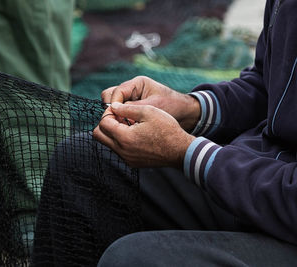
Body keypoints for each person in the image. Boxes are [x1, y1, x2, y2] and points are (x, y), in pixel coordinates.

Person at [36, 0, 297, 266]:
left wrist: (185, 152)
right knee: (83, 160)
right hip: (258, 178)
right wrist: (189, 107)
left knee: (133, 259)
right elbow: (265, 84)